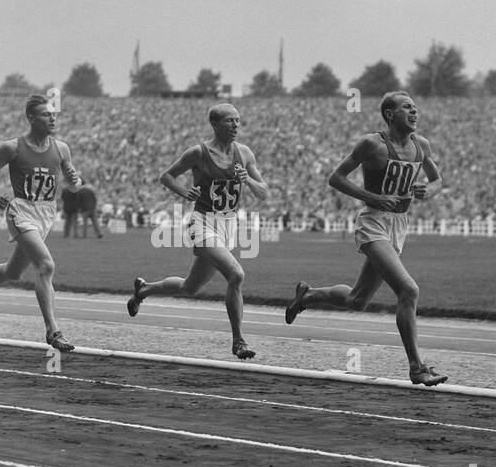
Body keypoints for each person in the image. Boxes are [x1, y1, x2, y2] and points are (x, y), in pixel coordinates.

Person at [283, 92, 447, 387]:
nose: (414, 112)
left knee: (357, 300)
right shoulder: (372, 144)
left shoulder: (421, 145)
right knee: (408, 290)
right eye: (406, 107)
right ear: (389, 114)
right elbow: (336, 178)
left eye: (415, 108)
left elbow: (437, 180)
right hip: (373, 223)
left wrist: (428, 191)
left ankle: (307, 295)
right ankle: (416, 367)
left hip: (399, 225)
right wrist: (371, 196)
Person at [126, 102, 268, 360]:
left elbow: (264, 193)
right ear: (215, 124)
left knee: (190, 287)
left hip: (228, 224)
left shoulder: (244, 153)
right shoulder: (199, 153)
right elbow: (166, 176)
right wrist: (184, 192)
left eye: (238, 120)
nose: (236, 125)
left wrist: (249, 179)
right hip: (202, 222)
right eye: (230, 121)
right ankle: (239, 341)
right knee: (236, 274)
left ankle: (143, 290)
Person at [0, 93, 80, 352]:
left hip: (46, 213)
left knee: (13, 272)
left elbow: (73, 183)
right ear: (31, 118)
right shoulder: (12, 147)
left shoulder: (61, 148)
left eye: (53, 114)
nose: (53, 117)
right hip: (21, 210)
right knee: (46, 266)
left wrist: (74, 179)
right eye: (46, 114)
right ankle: (53, 332)